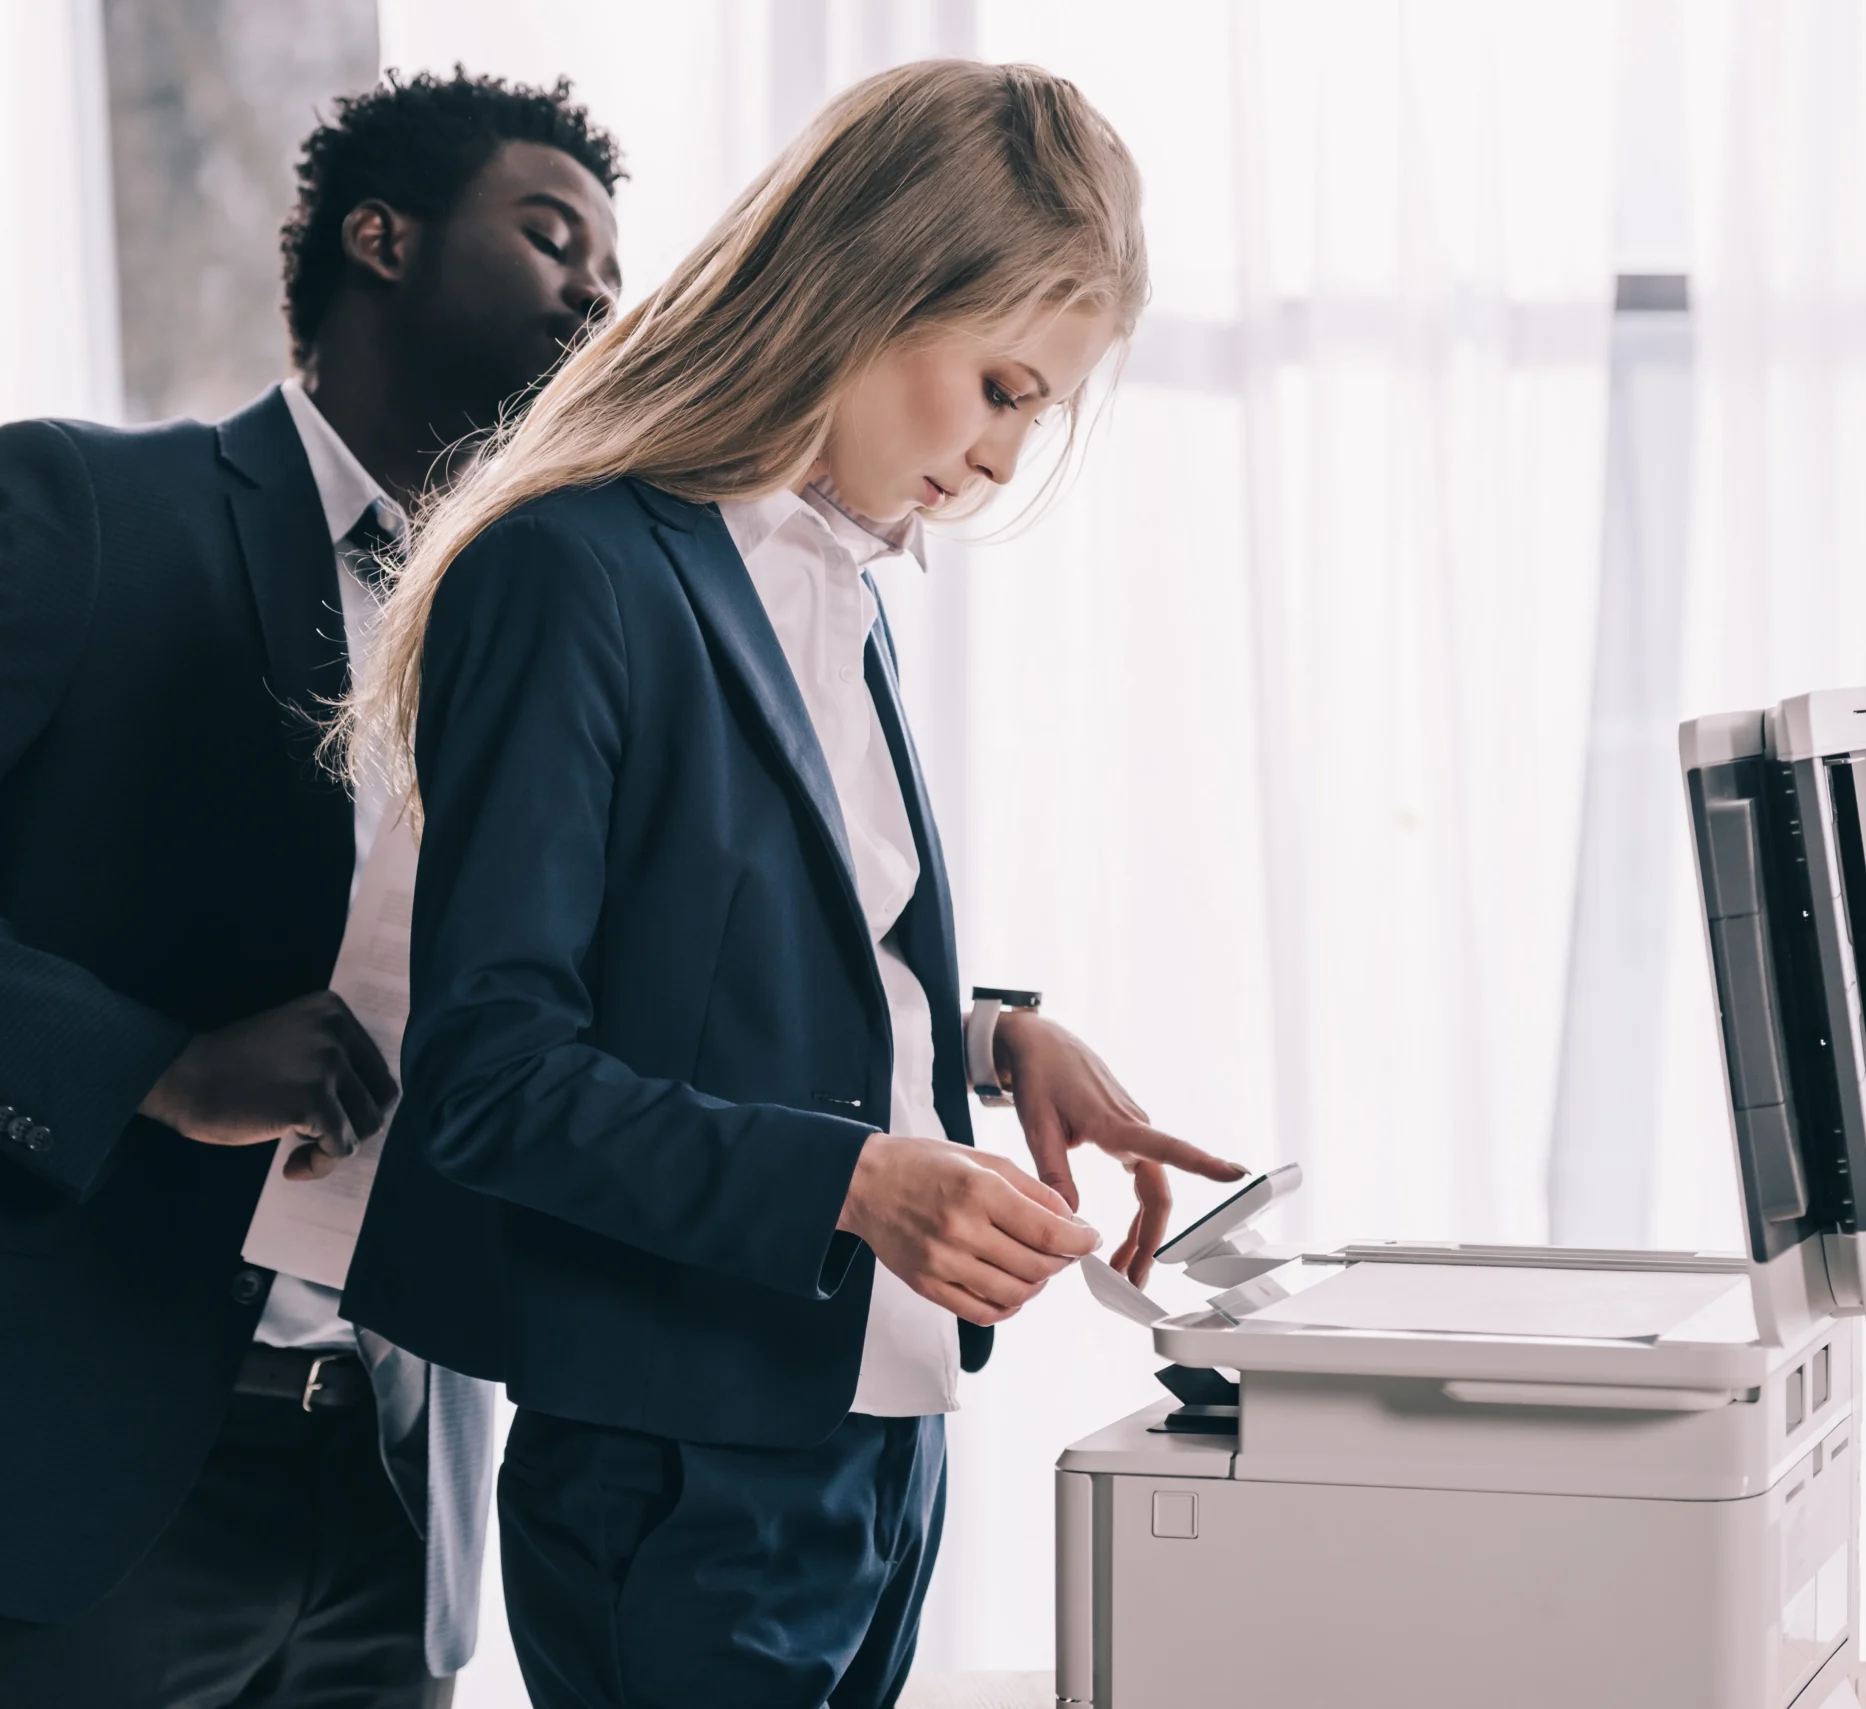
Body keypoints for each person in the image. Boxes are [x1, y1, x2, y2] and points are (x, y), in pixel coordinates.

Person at [335, 58, 1238, 1709]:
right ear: (871, 288)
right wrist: (857, 1179)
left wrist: (983, 1042)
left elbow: (722, 952)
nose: (1006, 461)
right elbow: (494, 1078)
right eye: (1003, 388)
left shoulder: (838, 582)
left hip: (876, 1435)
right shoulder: (573, 570)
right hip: (684, 1449)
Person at [0, 69, 621, 1708]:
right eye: (556, 238)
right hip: (77, 1467)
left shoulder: (529, 632)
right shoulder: (93, 512)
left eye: (613, 276)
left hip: (392, 1488)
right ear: (384, 237)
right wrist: (147, 1062)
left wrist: (974, 1035)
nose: (596, 294)